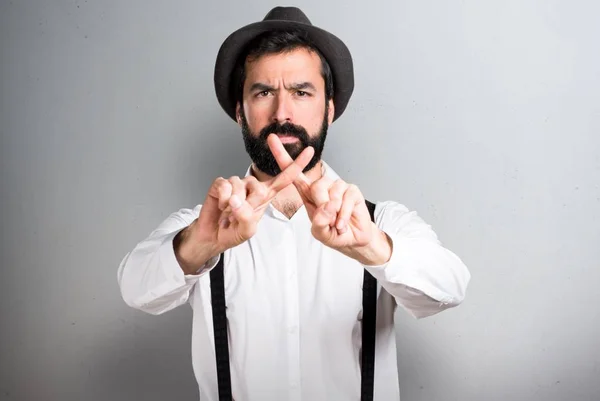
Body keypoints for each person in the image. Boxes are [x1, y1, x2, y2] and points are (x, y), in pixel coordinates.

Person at [117, 6, 471, 401]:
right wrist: (202, 243)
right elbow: (135, 288)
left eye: (302, 92)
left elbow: (451, 288)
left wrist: (371, 247)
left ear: (330, 108)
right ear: (240, 110)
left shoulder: (380, 222)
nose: (282, 113)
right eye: (263, 92)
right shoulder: (204, 225)